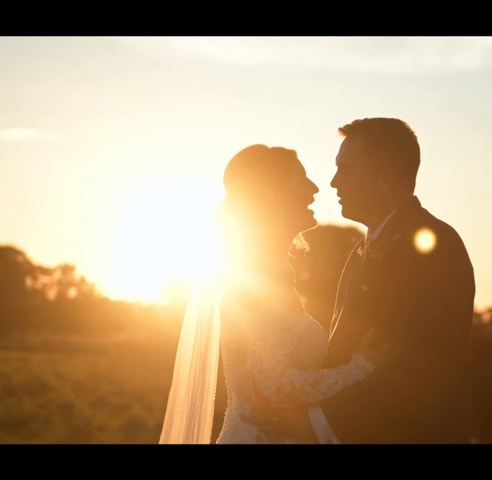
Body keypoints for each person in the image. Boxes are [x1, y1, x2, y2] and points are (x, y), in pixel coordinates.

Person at [159, 144, 384, 444]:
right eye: (301, 179)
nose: (315, 188)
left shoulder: (274, 272)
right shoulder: (251, 278)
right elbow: (277, 386)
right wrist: (361, 366)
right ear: (272, 195)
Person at [306, 117, 476, 443]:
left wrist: (314, 423)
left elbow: (419, 366)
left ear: (385, 178)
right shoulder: (361, 249)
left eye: (346, 170)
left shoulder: (435, 245)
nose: (333, 183)